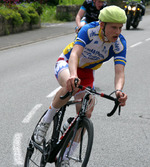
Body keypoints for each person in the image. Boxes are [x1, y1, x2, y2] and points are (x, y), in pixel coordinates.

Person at [34, 5, 128, 166]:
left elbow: (119, 72)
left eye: (120, 27)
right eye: (114, 27)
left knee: (88, 110)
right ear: (102, 24)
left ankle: (66, 157)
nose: (118, 32)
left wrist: (119, 90)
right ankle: (45, 122)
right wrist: (73, 75)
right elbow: (75, 54)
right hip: (67, 63)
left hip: (87, 72)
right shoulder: (89, 31)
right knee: (71, 87)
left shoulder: (119, 44)